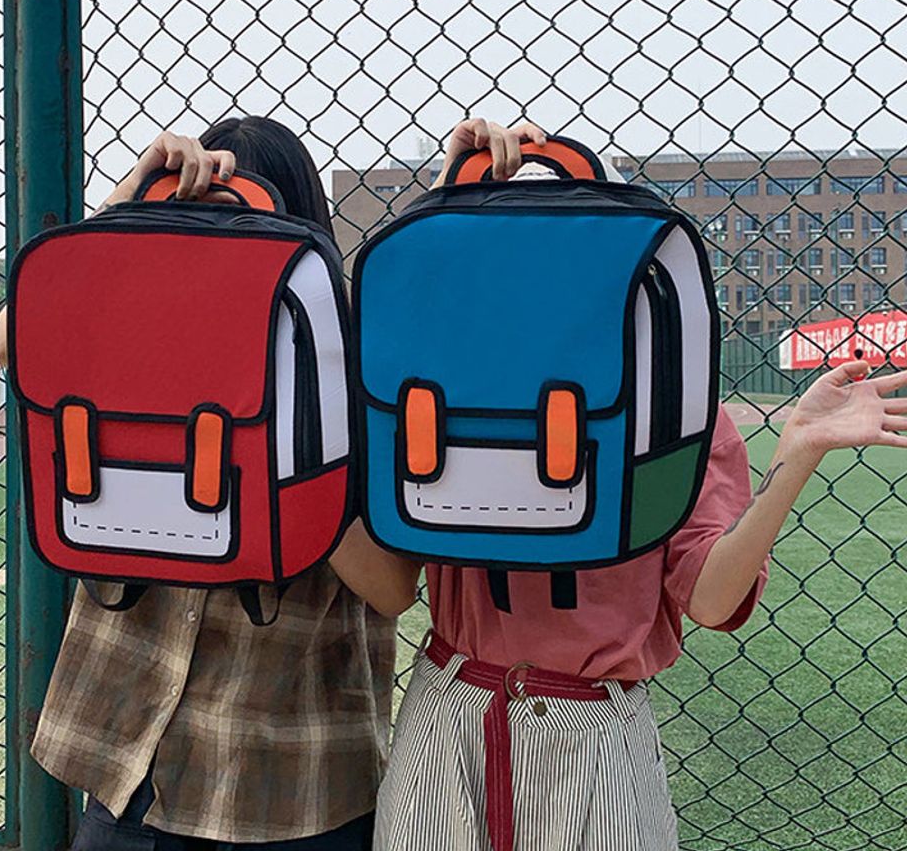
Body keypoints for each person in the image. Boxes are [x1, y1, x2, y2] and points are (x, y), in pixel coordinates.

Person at [366, 118, 907, 851]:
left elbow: (710, 599)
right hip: (451, 711)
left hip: (595, 730)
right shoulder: (441, 400)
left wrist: (798, 451)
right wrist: (442, 201)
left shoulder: (672, 408)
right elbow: (408, 306)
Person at [0, 117, 416, 851]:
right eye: (199, 215)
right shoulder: (128, 338)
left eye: (249, 219)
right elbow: (8, 338)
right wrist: (129, 204)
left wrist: (294, 448)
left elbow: (392, 589)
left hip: (291, 776)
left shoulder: (355, 352)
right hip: (132, 765)